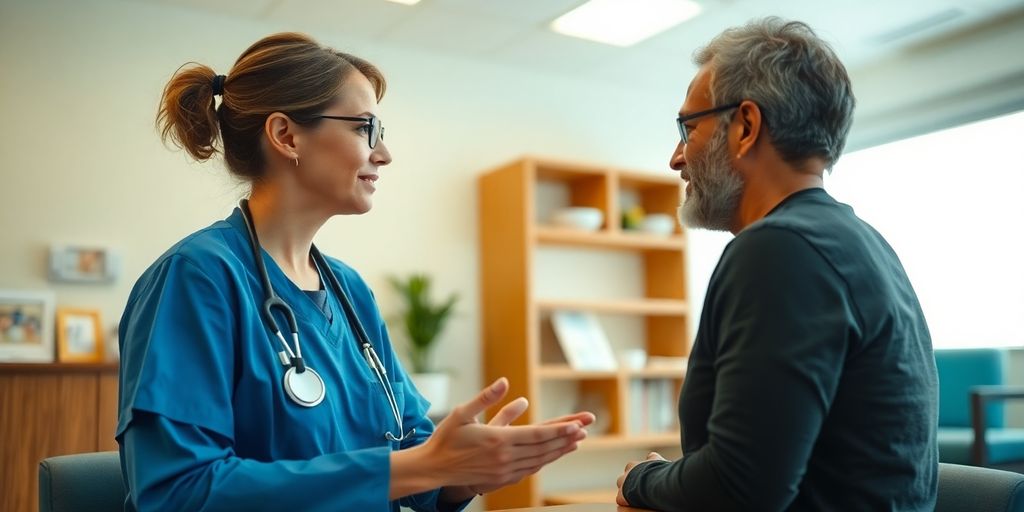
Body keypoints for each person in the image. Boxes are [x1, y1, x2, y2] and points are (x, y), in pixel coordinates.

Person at [117, 32, 594, 512]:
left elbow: (415, 455)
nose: (383, 154)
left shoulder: (349, 290)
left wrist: (466, 471)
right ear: (286, 135)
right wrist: (423, 467)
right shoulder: (197, 279)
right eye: (365, 128)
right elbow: (176, 492)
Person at [615, 18, 937, 511]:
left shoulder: (780, 249)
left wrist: (642, 479)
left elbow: (740, 485)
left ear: (745, 126)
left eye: (689, 128)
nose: (676, 158)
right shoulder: (860, 243)